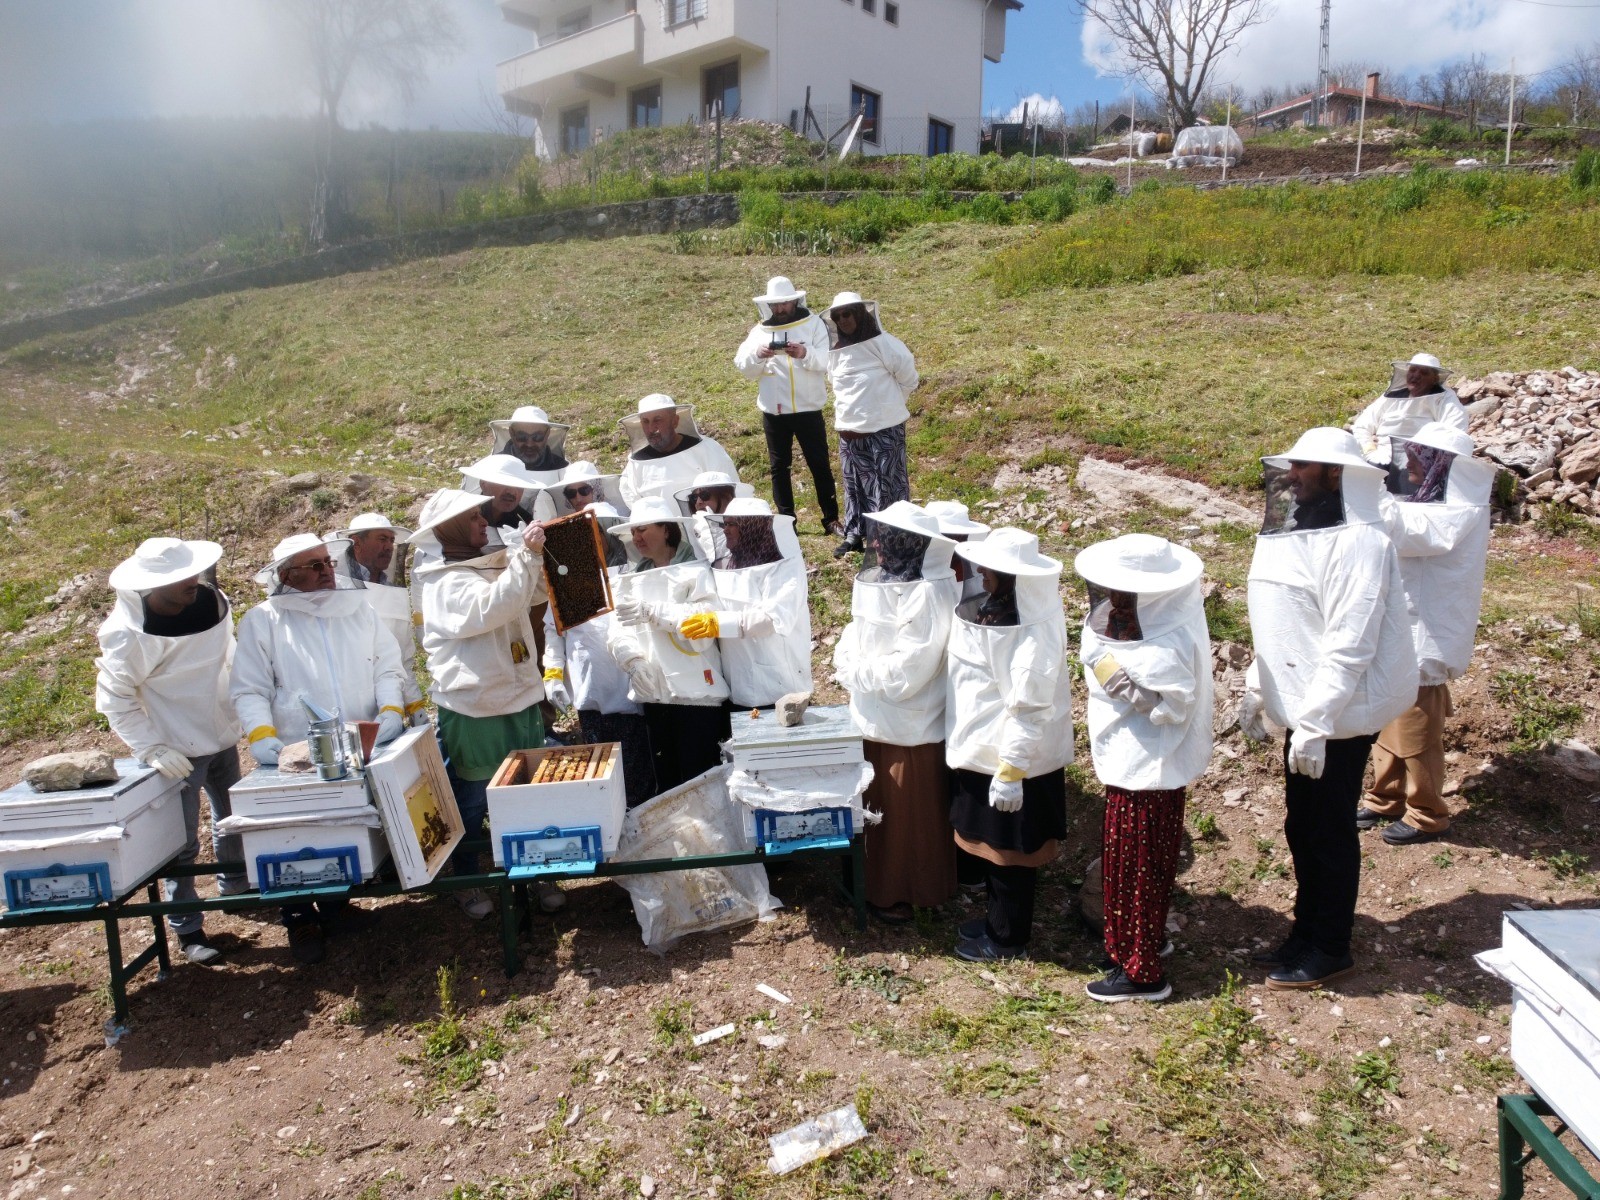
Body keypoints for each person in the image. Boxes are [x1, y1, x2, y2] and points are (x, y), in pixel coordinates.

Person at [1239, 427, 1417, 990]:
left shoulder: (1363, 542)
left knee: (1329, 831)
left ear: (1336, 473)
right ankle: (1305, 931)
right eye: (1290, 466)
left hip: (1338, 715)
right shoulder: (1296, 535)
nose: (1292, 476)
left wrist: (1316, 725)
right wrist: (1258, 686)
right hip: (1307, 713)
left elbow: (1351, 641)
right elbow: (1282, 624)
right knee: (1302, 826)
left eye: (1304, 467)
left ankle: (1331, 946)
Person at [231, 533, 408, 964]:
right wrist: (262, 736)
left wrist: (390, 709)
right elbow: (250, 688)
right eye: (314, 566)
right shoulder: (263, 620)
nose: (327, 570)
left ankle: (335, 907)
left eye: (328, 562)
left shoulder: (358, 608)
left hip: (359, 738)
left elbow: (387, 665)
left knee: (342, 825)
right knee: (298, 831)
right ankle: (298, 918)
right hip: (296, 748)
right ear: (287, 575)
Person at [411, 490, 565, 917]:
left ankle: (536, 870)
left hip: (521, 698)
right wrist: (526, 559)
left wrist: (537, 559)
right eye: (473, 518)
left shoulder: (489, 564)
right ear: (449, 529)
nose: (484, 522)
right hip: (475, 709)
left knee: (528, 794)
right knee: (472, 802)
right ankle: (469, 880)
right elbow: (491, 608)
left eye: (481, 516)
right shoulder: (444, 582)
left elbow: (530, 595)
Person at [1074, 534, 1212, 1003]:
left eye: (1123, 589)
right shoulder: (1134, 622)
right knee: (1138, 866)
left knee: (1136, 869)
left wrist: (1118, 680)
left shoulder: (1168, 637)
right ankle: (1140, 943)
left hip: (1147, 769)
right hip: (1135, 765)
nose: (1112, 597)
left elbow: (1171, 706)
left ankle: (1141, 973)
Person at [95, 537, 244, 966]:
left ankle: (236, 889)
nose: (192, 581)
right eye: (180, 577)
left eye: (192, 572)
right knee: (182, 844)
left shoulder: (213, 603)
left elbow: (229, 657)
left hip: (221, 731)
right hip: (175, 749)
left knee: (235, 820)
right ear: (151, 585)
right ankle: (187, 928)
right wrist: (152, 748)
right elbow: (116, 698)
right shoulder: (127, 635)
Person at [1359, 423, 1494, 845]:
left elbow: (1409, 532)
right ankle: (1385, 797)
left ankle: (1428, 814)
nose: (1410, 464)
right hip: (1403, 627)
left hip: (1428, 635)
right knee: (1386, 715)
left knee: (1416, 726)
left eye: (1420, 457)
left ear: (1442, 465)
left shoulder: (1460, 509)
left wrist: (1370, 486)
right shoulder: (1425, 500)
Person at [944, 528, 1074, 962]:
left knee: (1012, 854)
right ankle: (994, 924)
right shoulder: (1003, 609)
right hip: (989, 750)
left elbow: (1029, 708)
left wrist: (1011, 771)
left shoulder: (1033, 634)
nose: (981, 573)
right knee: (993, 848)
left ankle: (1006, 940)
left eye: (991, 569)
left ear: (1014, 577)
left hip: (1015, 763)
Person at [832, 502, 960, 923]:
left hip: (909, 728)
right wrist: (848, 662)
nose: (875, 545)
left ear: (912, 544)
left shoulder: (930, 591)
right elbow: (854, 632)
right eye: (878, 536)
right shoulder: (881, 582)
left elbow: (910, 669)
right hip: (870, 717)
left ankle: (902, 893)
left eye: (887, 539)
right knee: (871, 810)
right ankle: (868, 886)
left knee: (905, 819)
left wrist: (855, 672)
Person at [607, 496, 732, 791]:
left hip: (697, 697)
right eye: (633, 532)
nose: (637, 538)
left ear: (666, 529)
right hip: (655, 696)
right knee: (668, 787)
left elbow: (707, 619)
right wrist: (632, 661)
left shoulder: (696, 572)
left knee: (703, 785)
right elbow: (617, 630)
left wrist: (655, 612)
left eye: (643, 529)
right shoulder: (632, 579)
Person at [542, 503, 657, 807]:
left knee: (638, 781)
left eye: (598, 532)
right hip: (590, 696)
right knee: (602, 780)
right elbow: (553, 632)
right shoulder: (568, 580)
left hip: (632, 695)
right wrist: (553, 675)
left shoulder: (635, 574)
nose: (593, 540)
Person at [734, 275, 842, 537]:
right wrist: (758, 355)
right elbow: (743, 366)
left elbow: (829, 360)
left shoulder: (813, 324)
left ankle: (831, 519)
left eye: (784, 303)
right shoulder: (759, 332)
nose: (780, 309)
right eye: (775, 304)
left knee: (819, 464)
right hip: (774, 412)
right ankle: (786, 521)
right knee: (779, 468)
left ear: (795, 301)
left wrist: (804, 354)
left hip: (809, 409)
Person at [682, 497, 812, 709]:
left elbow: (772, 618)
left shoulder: (786, 567)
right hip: (737, 685)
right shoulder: (729, 563)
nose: (725, 530)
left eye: (732, 524)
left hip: (780, 686)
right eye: (725, 524)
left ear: (753, 527)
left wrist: (718, 623)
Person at [822, 291, 918, 558]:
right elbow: (837, 385)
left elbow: (909, 379)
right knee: (853, 487)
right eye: (837, 316)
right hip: (849, 432)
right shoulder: (836, 351)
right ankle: (854, 534)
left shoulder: (885, 344)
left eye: (847, 314)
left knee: (887, 486)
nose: (843, 320)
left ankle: (889, 539)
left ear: (860, 314)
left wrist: (887, 407)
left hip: (883, 431)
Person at [330, 513, 427, 726]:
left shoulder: (394, 592)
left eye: (391, 541)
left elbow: (403, 656)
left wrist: (414, 704)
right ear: (356, 543)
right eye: (382, 539)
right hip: (348, 710)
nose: (389, 547)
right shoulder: (335, 593)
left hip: (390, 707)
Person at [1349, 353, 1470, 487]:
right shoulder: (1390, 397)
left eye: (1423, 373)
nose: (1416, 376)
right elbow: (1362, 426)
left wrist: (1425, 460)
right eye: (1412, 370)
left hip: (1418, 468)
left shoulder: (1444, 399)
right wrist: (1369, 450)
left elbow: (1455, 433)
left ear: (1434, 379)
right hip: (1379, 458)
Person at [617, 394, 740, 509]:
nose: (651, 428)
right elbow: (633, 500)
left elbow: (731, 492)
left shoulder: (707, 450)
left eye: (657, 419)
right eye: (645, 421)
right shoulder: (635, 463)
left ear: (675, 421)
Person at [460, 454, 552, 529]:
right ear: (483, 484)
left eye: (519, 486)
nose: (511, 492)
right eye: (504, 483)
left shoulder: (525, 523)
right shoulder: (463, 515)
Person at [489, 405, 571, 483]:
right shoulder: (492, 467)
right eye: (522, 437)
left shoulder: (564, 469)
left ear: (547, 434)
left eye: (537, 437)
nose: (529, 444)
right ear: (511, 433)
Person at [672, 469, 753, 519]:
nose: (698, 502)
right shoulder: (696, 531)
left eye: (704, 495)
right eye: (694, 497)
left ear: (727, 497)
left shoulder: (743, 528)